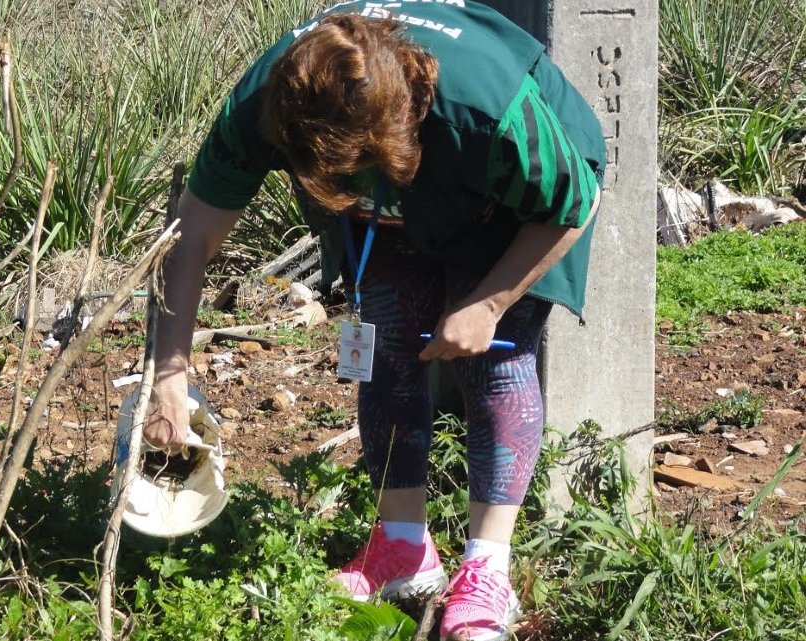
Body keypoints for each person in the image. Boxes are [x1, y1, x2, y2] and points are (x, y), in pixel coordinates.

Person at [143, 2, 605, 639]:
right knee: (385, 337)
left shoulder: (490, 113)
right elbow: (192, 233)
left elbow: (575, 201)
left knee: (494, 358)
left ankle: (487, 570)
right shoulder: (266, 105)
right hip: (395, 185)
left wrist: (490, 302)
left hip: (510, 197)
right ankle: (402, 549)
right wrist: (169, 372)